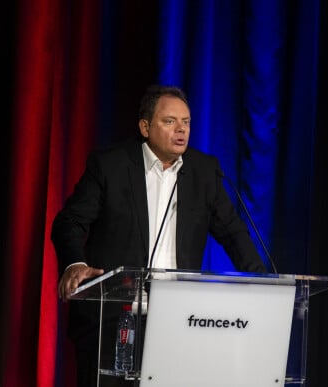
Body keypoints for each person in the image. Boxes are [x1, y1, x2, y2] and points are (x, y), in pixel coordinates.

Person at [51, 84, 268, 387]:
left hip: (176, 324)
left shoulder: (204, 172)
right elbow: (69, 222)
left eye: (186, 122)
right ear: (145, 126)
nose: (181, 130)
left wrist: (266, 286)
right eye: (170, 121)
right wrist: (74, 263)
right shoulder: (110, 166)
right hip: (113, 323)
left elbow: (233, 232)